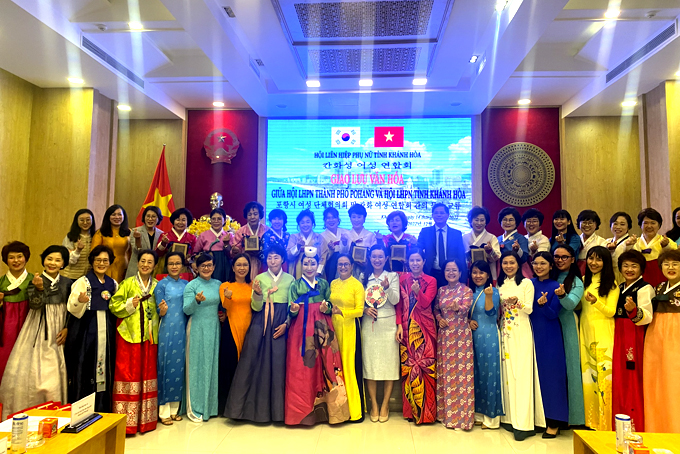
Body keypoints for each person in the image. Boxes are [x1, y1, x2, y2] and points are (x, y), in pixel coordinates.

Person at [0, 246, 71, 419]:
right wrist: (39, 289)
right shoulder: (35, 280)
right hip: (37, 327)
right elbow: (35, 305)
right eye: (49, 259)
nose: (53, 263)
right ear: (43, 260)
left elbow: (71, 309)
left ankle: (56, 410)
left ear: (63, 264)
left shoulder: (69, 282)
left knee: (56, 367)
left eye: (57, 260)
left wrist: (67, 326)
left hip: (59, 327)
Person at [225, 245, 294, 422]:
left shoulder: (290, 279)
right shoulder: (259, 278)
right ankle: (246, 411)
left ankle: (278, 413)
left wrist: (286, 323)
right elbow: (255, 307)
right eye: (270, 258)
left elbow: (291, 306)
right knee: (252, 362)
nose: (272, 261)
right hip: (260, 322)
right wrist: (256, 295)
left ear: (282, 260)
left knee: (279, 365)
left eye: (276, 257)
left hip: (280, 323)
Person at [285, 247, 349, 425]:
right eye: (305, 263)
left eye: (312, 263)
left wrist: (325, 307)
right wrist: (293, 309)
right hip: (301, 331)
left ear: (317, 265)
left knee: (328, 365)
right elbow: (289, 311)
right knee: (303, 368)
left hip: (322, 329)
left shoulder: (323, 284)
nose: (309, 267)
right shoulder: (295, 285)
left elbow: (329, 304)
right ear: (301, 265)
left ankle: (332, 413)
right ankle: (302, 414)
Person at [109, 249, 160, 434]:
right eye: (143, 261)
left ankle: (146, 420)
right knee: (128, 374)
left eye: (150, 262)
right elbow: (114, 305)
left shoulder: (157, 286)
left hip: (150, 337)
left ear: (154, 265)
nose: (146, 265)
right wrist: (130, 304)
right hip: (129, 336)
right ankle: (127, 421)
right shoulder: (127, 283)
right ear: (137, 263)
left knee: (147, 374)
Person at [65, 245, 118, 412]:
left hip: (106, 329)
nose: (101, 263)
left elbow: (116, 306)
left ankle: (103, 406)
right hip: (86, 330)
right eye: (98, 260)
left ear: (110, 263)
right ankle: (83, 409)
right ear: (92, 262)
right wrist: (80, 301)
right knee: (84, 365)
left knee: (105, 365)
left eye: (105, 260)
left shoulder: (113, 283)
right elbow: (72, 309)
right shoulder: (83, 282)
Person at [497, 250, 537, 441]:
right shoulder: (500, 284)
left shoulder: (526, 283)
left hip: (521, 331)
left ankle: (524, 424)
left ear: (518, 264)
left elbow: (529, 308)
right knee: (507, 375)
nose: (508, 266)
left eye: (512, 262)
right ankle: (509, 418)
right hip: (505, 331)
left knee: (521, 375)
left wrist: (518, 302)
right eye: (505, 263)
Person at [612, 250, 653, 432]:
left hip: (634, 334)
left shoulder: (645, 288)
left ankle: (635, 425)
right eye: (626, 266)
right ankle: (618, 423)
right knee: (619, 376)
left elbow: (648, 317)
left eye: (634, 266)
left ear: (641, 269)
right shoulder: (618, 287)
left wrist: (634, 311)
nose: (629, 269)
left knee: (632, 376)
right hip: (618, 332)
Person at [530, 252, 568, 438]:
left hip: (549, 336)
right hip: (530, 335)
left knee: (552, 378)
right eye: (535, 263)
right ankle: (539, 419)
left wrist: (544, 305)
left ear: (551, 266)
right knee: (536, 378)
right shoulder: (528, 284)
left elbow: (553, 314)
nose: (538, 267)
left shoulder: (556, 287)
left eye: (543, 263)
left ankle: (554, 422)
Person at [580, 246, 619, 431]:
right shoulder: (583, 280)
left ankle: (605, 423)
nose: (593, 263)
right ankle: (591, 421)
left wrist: (597, 302)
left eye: (599, 259)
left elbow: (611, 312)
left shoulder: (612, 284)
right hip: (585, 332)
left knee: (604, 375)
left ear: (606, 262)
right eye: (590, 258)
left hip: (604, 332)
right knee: (589, 376)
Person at [398, 247, 437, 424]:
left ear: (423, 262)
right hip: (406, 327)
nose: (415, 263)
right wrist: (399, 324)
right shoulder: (402, 279)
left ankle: (427, 414)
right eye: (412, 260)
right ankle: (410, 412)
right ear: (408, 262)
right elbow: (398, 306)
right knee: (409, 369)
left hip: (424, 330)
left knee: (425, 370)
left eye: (418, 260)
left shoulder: (431, 281)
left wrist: (416, 290)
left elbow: (425, 303)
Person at [362, 244, 400, 423]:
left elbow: (395, 300)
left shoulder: (392, 276)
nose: (377, 259)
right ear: (370, 258)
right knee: (370, 365)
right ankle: (374, 405)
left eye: (380, 256)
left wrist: (386, 288)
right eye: (374, 256)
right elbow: (357, 301)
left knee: (388, 365)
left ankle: (385, 404)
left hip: (388, 324)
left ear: (386, 259)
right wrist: (364, 310)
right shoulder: (364, 278)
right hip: (369, 325)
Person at [434, 260, 474, 430]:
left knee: (462, 377)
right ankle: (445, 415)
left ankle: (462, 419)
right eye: (448, 270)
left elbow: (466, 308)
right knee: (446, 375)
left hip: (461, 338)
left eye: (454, 270)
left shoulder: (466, 290)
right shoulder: (441, 290)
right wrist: (439, 319)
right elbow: (436, 309)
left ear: (460, 272)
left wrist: (458, 308)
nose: (451, 273)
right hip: (444, 337)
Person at [644, 249, 680, 433]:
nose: (670, 267)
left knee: (674, 382)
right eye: (666, 264)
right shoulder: (658, 288)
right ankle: (657, 427)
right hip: (655, 337)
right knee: (655, 382)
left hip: (676, 339)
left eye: (675, 263)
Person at [182, 253, 221, 423]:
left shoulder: (218, 284)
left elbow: (222, 306)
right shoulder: (192, 286)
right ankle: (196, 406)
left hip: (214, 328)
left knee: (212, 365)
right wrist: (196, 301)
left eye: (210, 265)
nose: (207, 268)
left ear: (214, 267)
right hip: (197, 327)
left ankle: (210, 407)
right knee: (197, 366)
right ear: (196, 268)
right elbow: (186, 310)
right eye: (203, 265)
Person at [552, 245, 585, 426]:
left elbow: (571, 304)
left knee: (571, 368)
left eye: (565, 257)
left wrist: (563, 295)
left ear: (573, 259)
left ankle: (574, 417)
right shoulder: (551, 277)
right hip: (551, 326)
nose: (560, 260)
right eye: (556, 257)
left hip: (568, 325)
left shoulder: (576, 280)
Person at [154, 251, 189, 425]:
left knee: (179, 367)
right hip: (167, 327)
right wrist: (162, 311)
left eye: (177, 263)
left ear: (182, 265)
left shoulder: (186, 284)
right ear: (166, 266)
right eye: (171, 263)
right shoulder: (161, 285)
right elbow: (159, 310)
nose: (174, 266)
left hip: (183, 328)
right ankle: (163, 411)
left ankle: (175, 409)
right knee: (166, 366)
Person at [330, 254, 365, 422]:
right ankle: (338, 409)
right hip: (334, 328)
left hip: (350, 328)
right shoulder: (333, 283)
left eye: (346, 264)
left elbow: (360, 310)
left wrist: (342, 312)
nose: (342, 267)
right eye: (340, 264)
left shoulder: (357, 285)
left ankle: (355, 411)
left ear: (352, 266)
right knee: (336, 367)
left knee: (349, 367)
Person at [468, 260, 503, 429]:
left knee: (490, 375)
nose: (478, 276)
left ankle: (491, 418)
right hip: (472, 337)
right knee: (476, 375)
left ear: (488, 275)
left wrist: (488, 295)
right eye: (474, 272)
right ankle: (478, 414)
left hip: (489, 336)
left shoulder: (494, 292)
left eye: (481, 272)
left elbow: (491, 312)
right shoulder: (469, 293)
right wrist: (468, 321)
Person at [217, 254, 252, 414]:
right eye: (239, 265)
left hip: (250, 330)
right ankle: (228, 407)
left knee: (248, 368)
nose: (242, 268)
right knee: (230, 367)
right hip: (231, 328)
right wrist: (228, 297)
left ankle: (246, 406)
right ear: (233, 267)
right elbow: (225, 306)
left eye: (245, 265)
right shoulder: (225, 285)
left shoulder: (252, 285)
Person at [0, 241, 33, 380]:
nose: (16, 261)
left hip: (29, 321)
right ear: (6, 260)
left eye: (19, 256)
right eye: (11, 257)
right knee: (5, 354)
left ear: (25, 257)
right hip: (6, 323)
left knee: (27, 357)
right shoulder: (1, 281)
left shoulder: (34, 280)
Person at [418, 203, 467, 288]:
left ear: (447, 215)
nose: (439, 215)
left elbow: (461, 256)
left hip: (450, 274)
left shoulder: (456, 234)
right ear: (432, 215)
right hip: (430, 272)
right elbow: (418, 251)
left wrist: (463, 279)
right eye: (436, 213)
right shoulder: (425, 232)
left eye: (442, 213)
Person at [625, 208, 678, 287]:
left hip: (661, 278)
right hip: (639, 279)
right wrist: (628, 246)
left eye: (653, 223)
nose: (649, 226)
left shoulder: (666, 241)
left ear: (659, 225)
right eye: (645, 223)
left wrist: (666, 247)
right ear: (640, 225)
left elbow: (675, 258)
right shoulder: (634, 242)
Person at [91, 204, 131, 283]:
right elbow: (93, 252)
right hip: (106, 266)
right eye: (113, 215)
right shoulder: (100, 233)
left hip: (124, 267)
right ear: (108, 217)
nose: (117, 217)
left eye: (119, 214)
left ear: (124, 216)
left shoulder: (129, 232)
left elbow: (132, 252)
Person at [230, 201, 268, 280]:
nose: (252, 217)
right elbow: (234, 250)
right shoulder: (241, 231)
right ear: (246, 216)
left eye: (255, 214)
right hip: (245, 263)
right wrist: (235, 250)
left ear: (260, 215)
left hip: (263, 263)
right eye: (249, 214)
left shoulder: (266, 230)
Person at [462, 206, 501, 281]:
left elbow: (497, 257)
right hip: (470, 275)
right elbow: (462, 258)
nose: (479, 223)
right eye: (476, 220)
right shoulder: (464, 238)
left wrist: (490, 251)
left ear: (486, 221)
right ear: (471, 221)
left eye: (482, 220)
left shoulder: (492, 238)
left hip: (488, 274)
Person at [126, 206, 165, 279]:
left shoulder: (161, 234)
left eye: (153, 217)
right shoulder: (135, 231)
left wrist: (164, 243)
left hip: (154, 271)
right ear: (144, 217)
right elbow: (137, 250)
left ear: (158, 219)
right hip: (136, 269)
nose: (150, 219)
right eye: (148, 216)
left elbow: (159, 253)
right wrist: (138, 239)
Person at [194, 208, 232, 282]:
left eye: (219, 219)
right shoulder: (203, 235)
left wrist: (227, 245)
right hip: (207, 266)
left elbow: (232, 255)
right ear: (210, 221)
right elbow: (196, 253)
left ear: (224, 221)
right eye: (213, 219)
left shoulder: (229, 235)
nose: (216, 221)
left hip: (225, 266)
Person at [286, 209, 323, 279]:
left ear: (312, 223)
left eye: (308, 222)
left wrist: (318, 271)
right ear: (299, 224)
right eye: (302, 222)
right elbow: (288, 256)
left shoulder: (319, 237)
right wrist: (298, 246)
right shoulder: (294, 237)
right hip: (298, 271)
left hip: (315, 273)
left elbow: (323, 256)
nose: (305, 225)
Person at [62, 208, 96, 279]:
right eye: (81, 220)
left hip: (88, 278)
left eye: (88, 219)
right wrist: (78, 250)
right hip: (71, 277)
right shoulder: (70, 237)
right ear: (76, 221)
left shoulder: (96, 236)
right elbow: (68, 260)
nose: (85, 223)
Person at [347, 204, 377, 280]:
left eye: (359, 217)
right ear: (350, 219)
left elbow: (374, 254)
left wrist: (367, 263)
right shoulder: (346, 235)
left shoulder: (370, 235)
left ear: (364, 219)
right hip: (349, 271)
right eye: (353, 217)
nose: (356, 220)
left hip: (366, 271)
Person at [319, 207, 349, 281]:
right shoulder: (321, 236)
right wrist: (330, 250)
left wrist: (345, 242)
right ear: (324, 221)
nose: (331, 220)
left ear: (338, 219)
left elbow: (349, 251)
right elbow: (322, 257)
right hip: (330, 268)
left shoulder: (346, 232)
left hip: (346, 265)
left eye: (334, 217)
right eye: (328, 218)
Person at [576, 210, 608, 275]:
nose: (587, 225)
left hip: (593, 270)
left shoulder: (601, 241)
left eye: (590, 223)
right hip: (575, 269)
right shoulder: (575, 240)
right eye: (584, 222)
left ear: (596, 225)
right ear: (579, 224)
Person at [522, 208, 550, 279]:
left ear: (540, 224)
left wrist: (534, 252)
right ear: (524, 223)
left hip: (537, 275)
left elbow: (542, 260)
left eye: (534, 221)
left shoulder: (544, 240)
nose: (531, 224)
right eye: (528, 221)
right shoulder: (522, 238)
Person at [260, 208, 291, 273]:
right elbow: (262, 255)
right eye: (274, 219)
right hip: (269, 267)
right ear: (270, 221)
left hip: (285, 266)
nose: (277, 221)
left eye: (280, 219)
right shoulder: (267, 235)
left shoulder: (287, 235)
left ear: (284, 221)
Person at [606, 212, 633, 284]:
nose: (618, 227)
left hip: (623, 278)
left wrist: (629, 246)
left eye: (622, 224)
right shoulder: (607, 241)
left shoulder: (631, 242)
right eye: (615, 223)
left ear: (628, 227)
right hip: (607, 277)